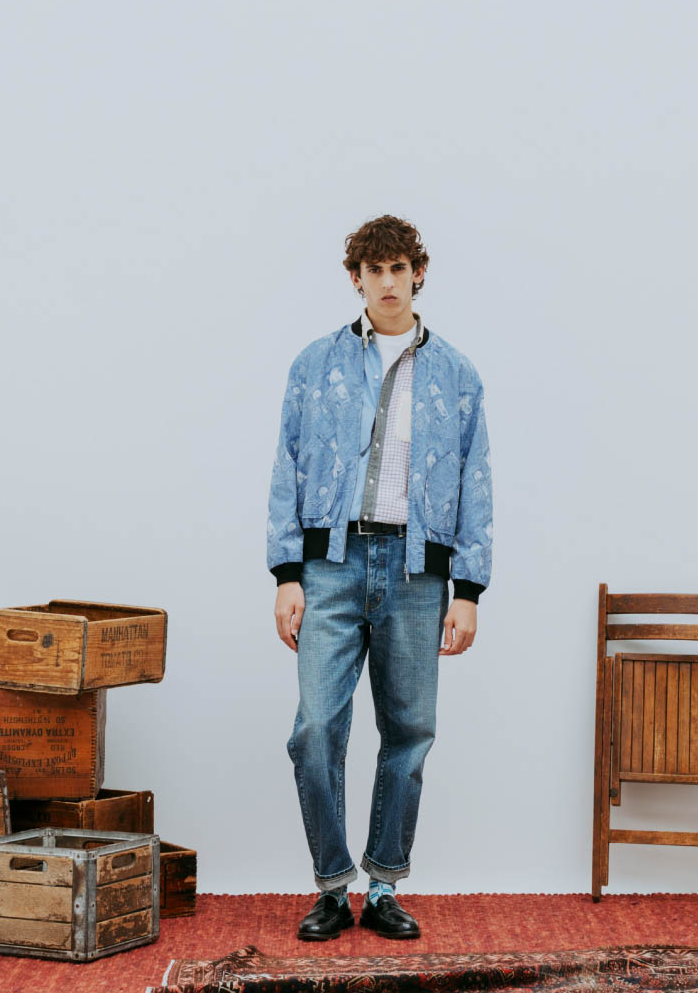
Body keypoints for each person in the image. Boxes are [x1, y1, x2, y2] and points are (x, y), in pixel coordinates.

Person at [266, 214, 493, 940]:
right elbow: (287, 467)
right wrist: (287, 573)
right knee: (315, 730)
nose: (388, 282)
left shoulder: (457, 373)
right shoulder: (315, 364)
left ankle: (385, 885)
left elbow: (475, 480)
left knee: (410, 731)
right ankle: (333, 887)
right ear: (356, 278)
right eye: (375, 270)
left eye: (399, 269)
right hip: (329, 567)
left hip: (416, 574)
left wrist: (468, 589)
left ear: (417, 274)